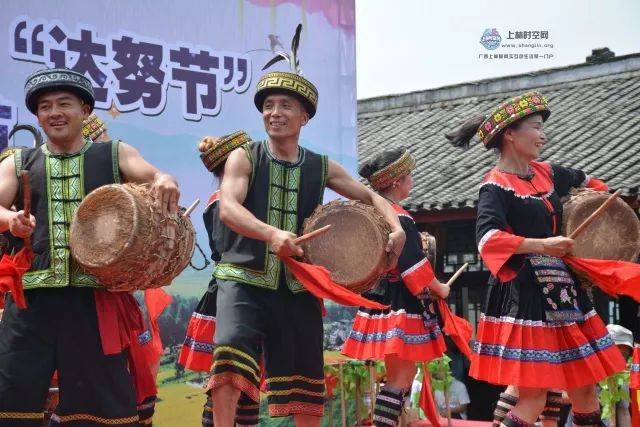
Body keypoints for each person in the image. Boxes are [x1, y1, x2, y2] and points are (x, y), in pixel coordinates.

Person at [208, 25, 406, 427]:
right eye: (269, 105)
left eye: (285, 106)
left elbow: (370, 196)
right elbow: (228, 208)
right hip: (243, 277)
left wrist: (395, 226)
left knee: (305, 383)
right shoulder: (245, 157)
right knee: (228, 360)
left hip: (298, 284)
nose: (274, 113)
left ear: (305, 116)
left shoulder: (319, 165)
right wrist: (272, 234)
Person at [0, 67, 179, 426]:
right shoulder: (19, 163)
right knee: (11, 399)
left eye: (64, 103)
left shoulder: (113, 155)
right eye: (45, 106)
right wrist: (9, 220)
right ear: (38, 116)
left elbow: (155, 174)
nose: (54, 113)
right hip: (30, 302)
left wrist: (166, 180)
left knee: (98, 408)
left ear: (84, 111)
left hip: (93, 300)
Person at [447, 91, 625, 427]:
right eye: (536, 127)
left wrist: (606, 211)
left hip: (564, 291)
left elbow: (590, 183)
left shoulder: (547, 173)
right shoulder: (495, 186)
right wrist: (543, 246)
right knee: (533, 395)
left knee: (585, 389)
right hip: (526, 294)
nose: (543, 135)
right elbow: (487, 239)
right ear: (510, 135)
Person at [341, 147, 450, 426]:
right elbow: (413, 264)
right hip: (402, 303)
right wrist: (439, 288)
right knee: (400, 380)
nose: (412, 181)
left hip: (380, 300)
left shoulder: (370, 217)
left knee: (395, 377)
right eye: (409, 176)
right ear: (396, 182)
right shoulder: (399, 217)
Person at [178, 131, 260, 426]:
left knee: (240, 383)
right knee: (230, 382)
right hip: (236, 294)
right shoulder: (230, 203)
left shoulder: (222, 200)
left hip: (233, 292)